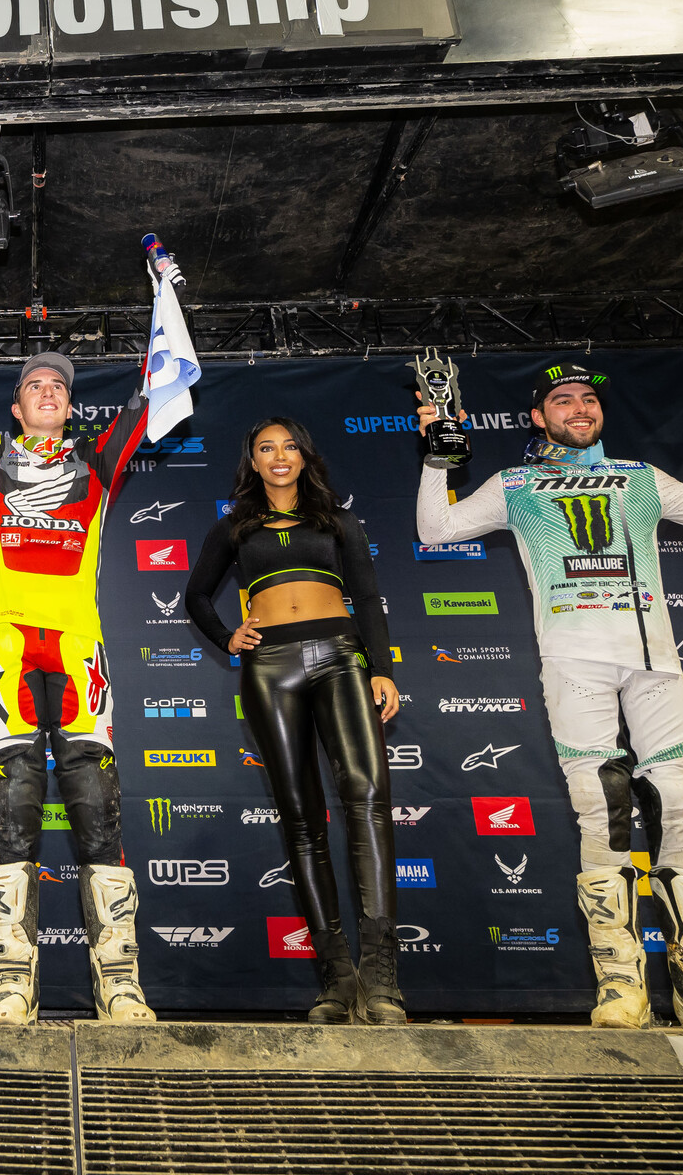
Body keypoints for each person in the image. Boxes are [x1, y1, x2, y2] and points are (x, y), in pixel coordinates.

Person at [416, 361, 683, 1035]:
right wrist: (437, 457)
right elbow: (437, 530)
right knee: (600, 807)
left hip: (656, 662)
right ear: (537, 416)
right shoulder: (516, 484)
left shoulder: (640, 476)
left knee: (681, 804)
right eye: (562, 400)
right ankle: (620, 986)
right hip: (575, 661)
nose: (578, 409)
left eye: (587, 399)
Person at [0, 243, 194, 1025]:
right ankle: (12, 983)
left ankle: (121, 984)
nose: (47, 392)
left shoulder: (99, 464)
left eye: (58, 387)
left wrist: (164, 298)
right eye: (34, 384)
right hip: (6, 652)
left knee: (99, 811)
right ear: (15, 404)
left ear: (71, 406)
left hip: (79, 655)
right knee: (13, 814)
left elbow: (149, 394)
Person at [185, 418, 403, 1025]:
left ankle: (382, 980)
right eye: (265, 449)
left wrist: (381, 668)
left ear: (305, 457)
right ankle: (336, 979)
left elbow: (367, 592)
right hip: (269, 669)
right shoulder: (234, 526)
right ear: (252, 463)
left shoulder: (339, 521)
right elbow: (195, 595)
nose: (278, 458)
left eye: (289, 448)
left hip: (341, 657)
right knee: (302, 818)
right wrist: (228, 636)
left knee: (366, 797)